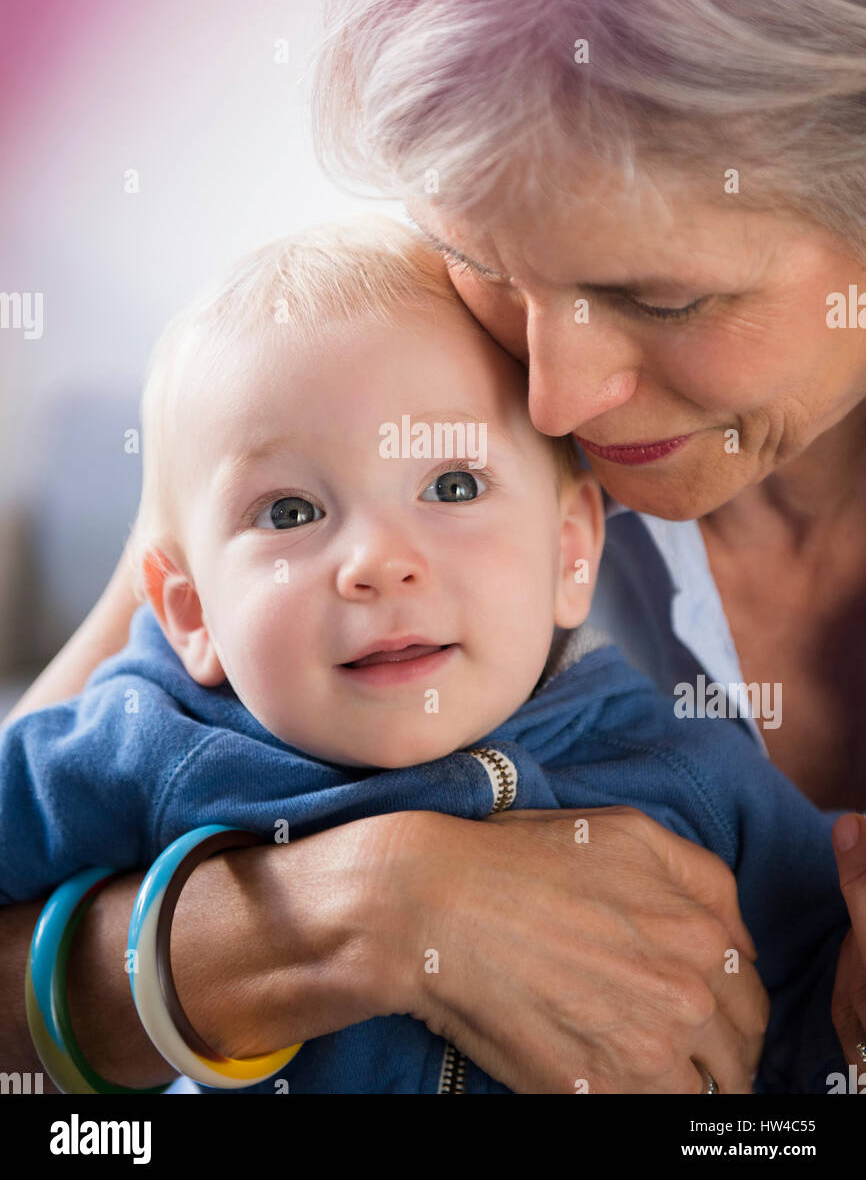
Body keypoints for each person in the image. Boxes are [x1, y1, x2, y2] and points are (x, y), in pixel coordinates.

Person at [4, 0, 865, 1094]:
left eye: (663, 298)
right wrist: (356, 910)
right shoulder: (362, 389)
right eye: (484, 263)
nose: (558, 394)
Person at [0, 217, 850, 1094]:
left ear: (570, 555)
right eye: (290, 513)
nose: (378, 562)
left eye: (453, 487)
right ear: (191, 611)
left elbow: (810, 1004)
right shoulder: (151, 736)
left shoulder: (683, 764)